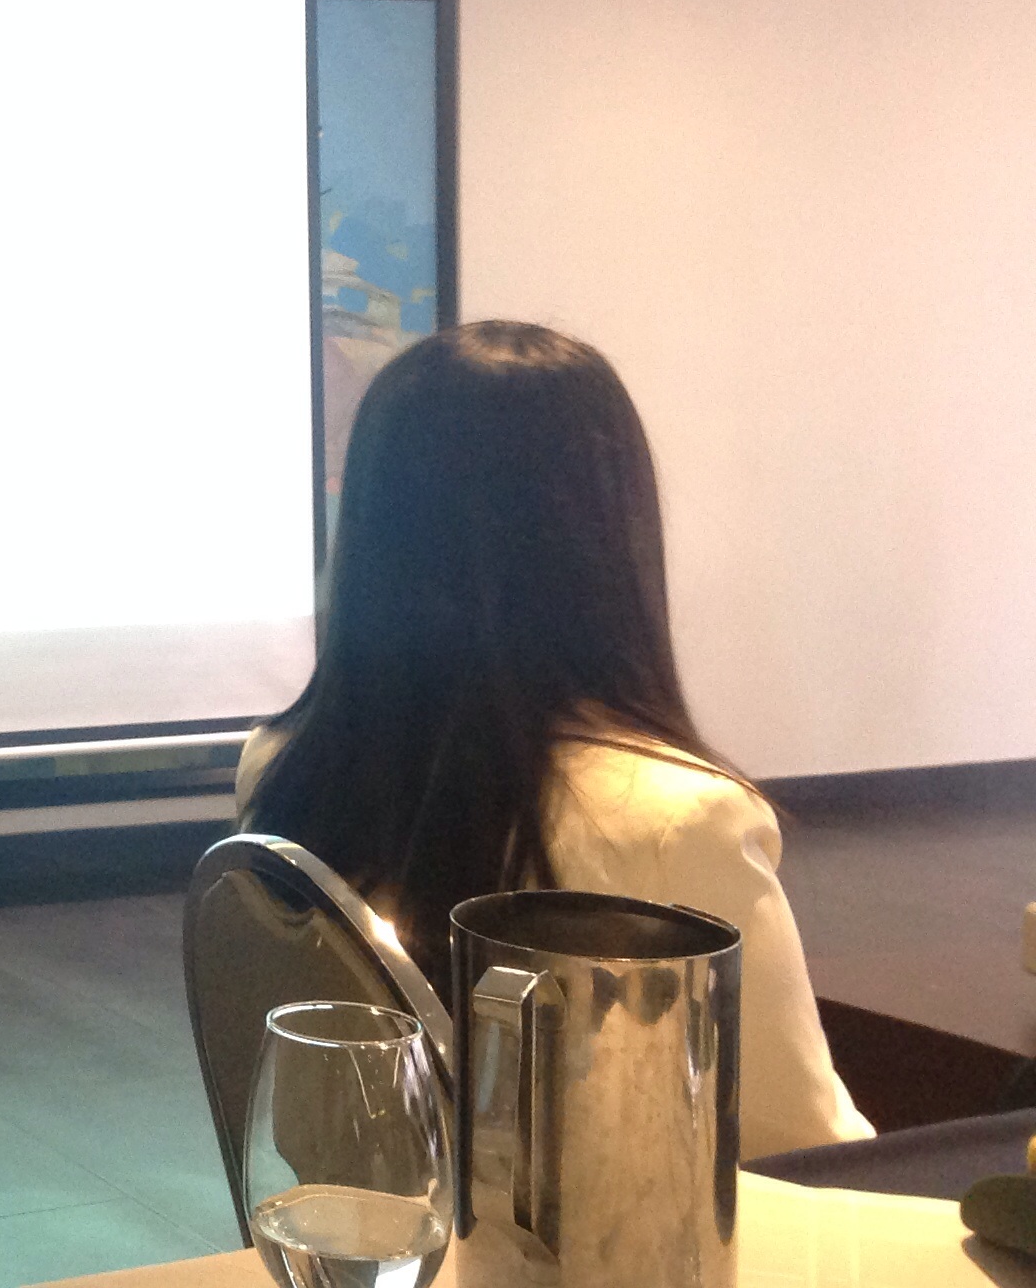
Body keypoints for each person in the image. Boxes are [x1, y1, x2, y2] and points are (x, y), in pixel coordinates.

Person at [237, 320, 870, 1160]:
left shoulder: (277, 765)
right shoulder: (681, 820)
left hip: (353, 1225)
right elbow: (803, 1149)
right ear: (608, 535)